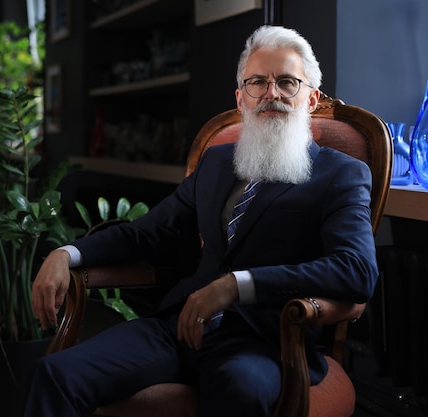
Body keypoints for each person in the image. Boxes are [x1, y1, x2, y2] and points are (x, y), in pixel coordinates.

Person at [26, 25, 378, 417]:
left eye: (287, 82)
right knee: (56, 373)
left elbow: (357, 270)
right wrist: (67, 253)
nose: (271, 94)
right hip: (180, 327)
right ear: (241, 97)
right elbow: (151, 232)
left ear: (311, 98)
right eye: (257, 82)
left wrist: (237, 286)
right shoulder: (217, 163)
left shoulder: (342, 173)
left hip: (265, 341)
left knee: (239, 394)